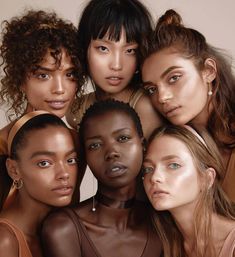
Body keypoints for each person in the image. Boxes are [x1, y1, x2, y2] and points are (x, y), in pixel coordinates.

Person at [41, 99, 162, 257]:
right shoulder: (63, 228)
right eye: (95, 145)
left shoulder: (163, 223)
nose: (111, 152)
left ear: (143, 145)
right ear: (86, 155)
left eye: (123, 138)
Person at [141, 9, 235, 201]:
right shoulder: (171, 154)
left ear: (208, 71)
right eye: (152, 89)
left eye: (174, 78)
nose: (162, 97)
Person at [66, 0, 162, 140]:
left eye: (130, 50)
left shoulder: (146, 108)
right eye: (103, 49)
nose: (116, 65)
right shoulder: (76, 110)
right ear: (83, 46)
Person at [142, 125, 235, 257]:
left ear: (207, 178)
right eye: (148, 169)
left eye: (174, 165)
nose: (154, 177)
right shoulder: (162, 246)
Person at [0, 9, 84, 154]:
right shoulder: (3, 145)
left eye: (69, 74)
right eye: (43, 75)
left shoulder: (75, 142)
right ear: (20, 80)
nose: (59, 89)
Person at [0, 111, 79, 257]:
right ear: (14, 170)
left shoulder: (59, 231)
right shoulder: (4, 241)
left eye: (70, 160)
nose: (64, 174)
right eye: (44, 163)